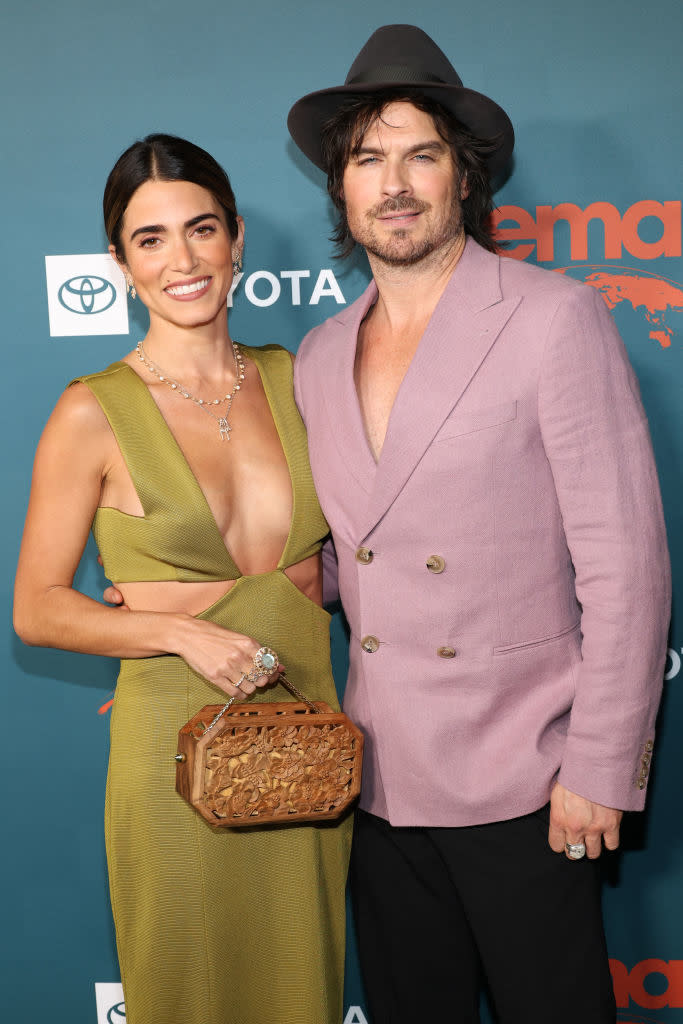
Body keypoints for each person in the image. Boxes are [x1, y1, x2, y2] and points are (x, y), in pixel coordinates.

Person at [287, 24, 671, 1024]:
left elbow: (624, 565)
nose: (395, 182)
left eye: (420, 154)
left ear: (465, 174)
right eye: (368, 158)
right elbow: (347, 554)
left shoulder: (550, 316)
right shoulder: (319, 355)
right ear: (340, 186)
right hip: (378, 779)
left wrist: (598, 766)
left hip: (527, 777)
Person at [13, 134, 352, 1024]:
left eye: (200, 229)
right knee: (186, 990)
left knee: (300, 987)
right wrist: (178, 629)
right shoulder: (92, 409)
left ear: (236, 238)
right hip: (174, 743)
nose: (183, 260)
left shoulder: (301, 379)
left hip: (307, 737)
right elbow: (38, 609)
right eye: (151, 239)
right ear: (120, 264)